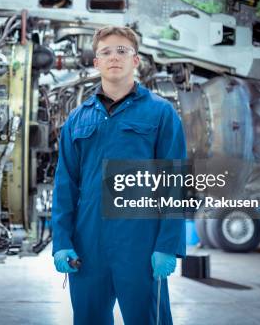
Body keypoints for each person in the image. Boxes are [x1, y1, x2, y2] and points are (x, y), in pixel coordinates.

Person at [51, 26, 187, 325]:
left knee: (147, 319)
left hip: (140, 243)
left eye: (122, 51)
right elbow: (65, 186)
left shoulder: (161, 113)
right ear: (96, 62)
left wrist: (168, 245)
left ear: (135, 60)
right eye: (106, 52)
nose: (115, 57)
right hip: (87, 244)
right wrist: (61, 241)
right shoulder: (78, 118)